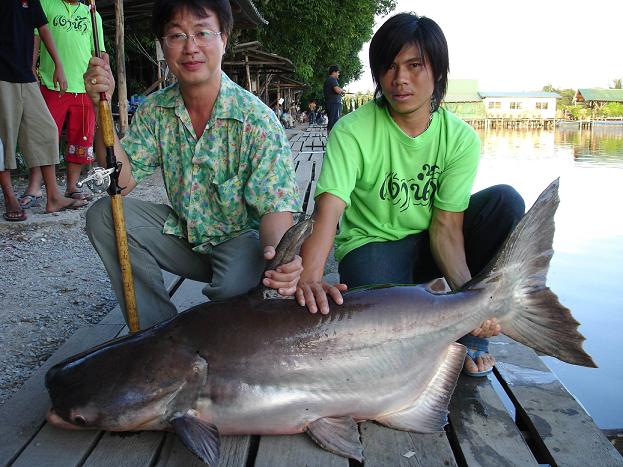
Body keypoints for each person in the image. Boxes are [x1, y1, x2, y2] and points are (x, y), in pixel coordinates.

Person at [295, 13, 525, 377]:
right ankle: (438, 335)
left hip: (432, 242)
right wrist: (309, 277)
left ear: (437, 71)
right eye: (389, 66)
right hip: (373, 247)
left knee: (506, 202)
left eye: (414, 65)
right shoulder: (352, 131)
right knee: (374, 314)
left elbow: (446, 229)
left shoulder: (460, 139)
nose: (400, 79)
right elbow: (327, 213)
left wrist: (472, 303)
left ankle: (469, 330)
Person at [84, 0, 302, 329]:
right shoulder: (156, 109)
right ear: (163, 44)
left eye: (202, 33)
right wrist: (102, 105)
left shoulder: (257, 120)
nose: (190, 48)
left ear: (224, 39)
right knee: (103, 216)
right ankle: (153, 333)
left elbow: (275, 210)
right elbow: (121, 181)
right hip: (186, 237)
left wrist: (280, 261)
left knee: (234, 292)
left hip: (241, 243)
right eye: (176, 36)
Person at [0, 0, 87, 222]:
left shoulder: (32, 1)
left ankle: (54, 197)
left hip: (26, 76)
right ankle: (10, 197)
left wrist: (59, 65)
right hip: (2, 76)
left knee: (46, 131)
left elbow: (43, 28)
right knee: (4, 139)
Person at [19, 0, 105, 209]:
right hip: (52, 84)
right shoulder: (46, 4)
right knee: (44, 137)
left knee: (81, 138)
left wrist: (104, 75)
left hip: (85, 86)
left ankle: (72, 186)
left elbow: (100, 51)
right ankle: (34, 187)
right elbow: (36, 38)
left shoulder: (92, 14)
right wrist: (31, 68)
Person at [323, 65, 345, 134]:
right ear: (334, 72)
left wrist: (340, 92)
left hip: (331, 104)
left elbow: (335, 91)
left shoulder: (329, 80)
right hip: (334, 104)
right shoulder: (332, 79)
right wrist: (342, 90)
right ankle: (331, 140)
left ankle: (330, 139)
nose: (338, 74)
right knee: (334, 122)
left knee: (332, 121)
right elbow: (337, 90)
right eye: (338, 72)